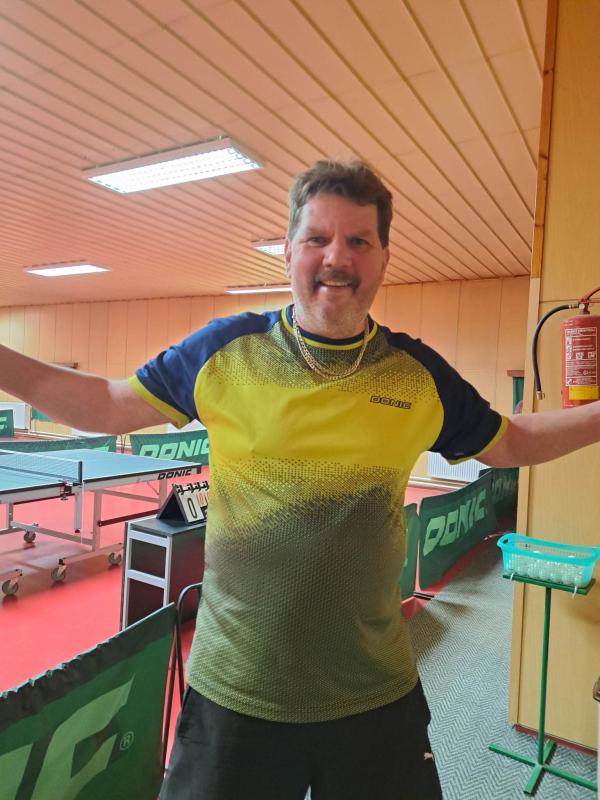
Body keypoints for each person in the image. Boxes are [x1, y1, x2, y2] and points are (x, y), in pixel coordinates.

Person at [1, 160, 599, 800]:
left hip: (374, 696)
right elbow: (105, 404)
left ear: (383, 258)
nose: (337, 257)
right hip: (234, 696)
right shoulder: (225, 351)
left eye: (358, 240)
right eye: (318, 238)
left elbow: (510, 441)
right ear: (288, 251)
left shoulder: (416, 374)